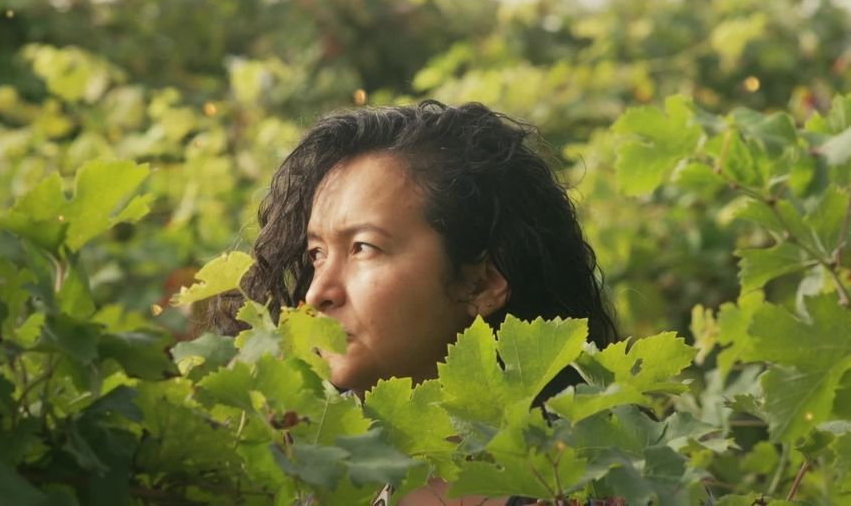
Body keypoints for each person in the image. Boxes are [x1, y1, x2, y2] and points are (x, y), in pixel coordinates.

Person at [206, 100, 617, 505]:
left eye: (363, 247)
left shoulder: (589, 487)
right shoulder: (276, 475)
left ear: (481, 284)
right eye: (317, 254)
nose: (316, 293)